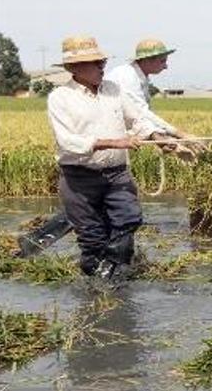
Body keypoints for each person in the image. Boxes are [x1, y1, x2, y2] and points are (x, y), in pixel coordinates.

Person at [46, 36, 174, 280]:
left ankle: (116, 277)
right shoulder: (60, 98)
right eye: (94, 63)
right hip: (79, 179)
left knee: (128, 220)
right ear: (74, 68)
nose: (101, 67)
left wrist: (157, 136)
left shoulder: (113, 90)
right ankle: (98, 287)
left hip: (117, 174)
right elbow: (68, 142)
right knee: (92, 237)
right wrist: (115, 142)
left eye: (101, 62)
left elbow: (136, 119)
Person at [105, 38, 203, 160]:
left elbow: (143, 117)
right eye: (162, 61)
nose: (166, 66)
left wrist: (170, 139)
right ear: (148, 60)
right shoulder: (127, 77)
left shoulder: (139, 78)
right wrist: (180, 134)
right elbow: (141, 114)